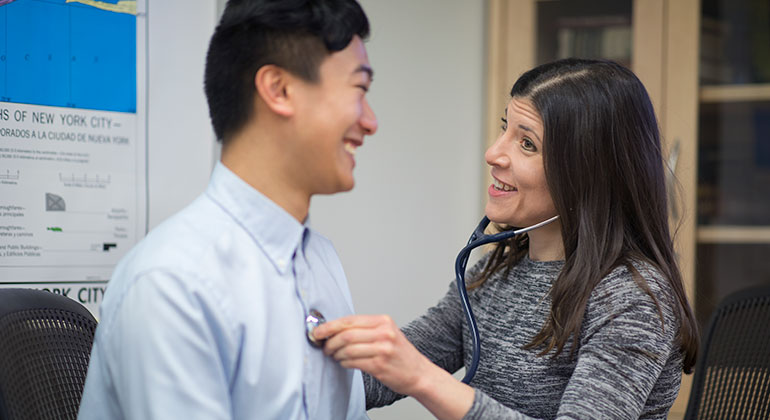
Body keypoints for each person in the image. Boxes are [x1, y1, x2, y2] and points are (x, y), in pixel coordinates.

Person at [314, 58, 700, 419]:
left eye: (527, 143)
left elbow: (415, 370)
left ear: (587, 176)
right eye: (505, 129)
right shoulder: (495, 272)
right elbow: (379, 378)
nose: (493, 153)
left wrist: (423, 379)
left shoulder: (633, 297)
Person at [78, 1, 377, 419]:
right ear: (279, 89)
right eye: (359, 90)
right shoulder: (173, 284)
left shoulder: (322, 260)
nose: (371, 121)